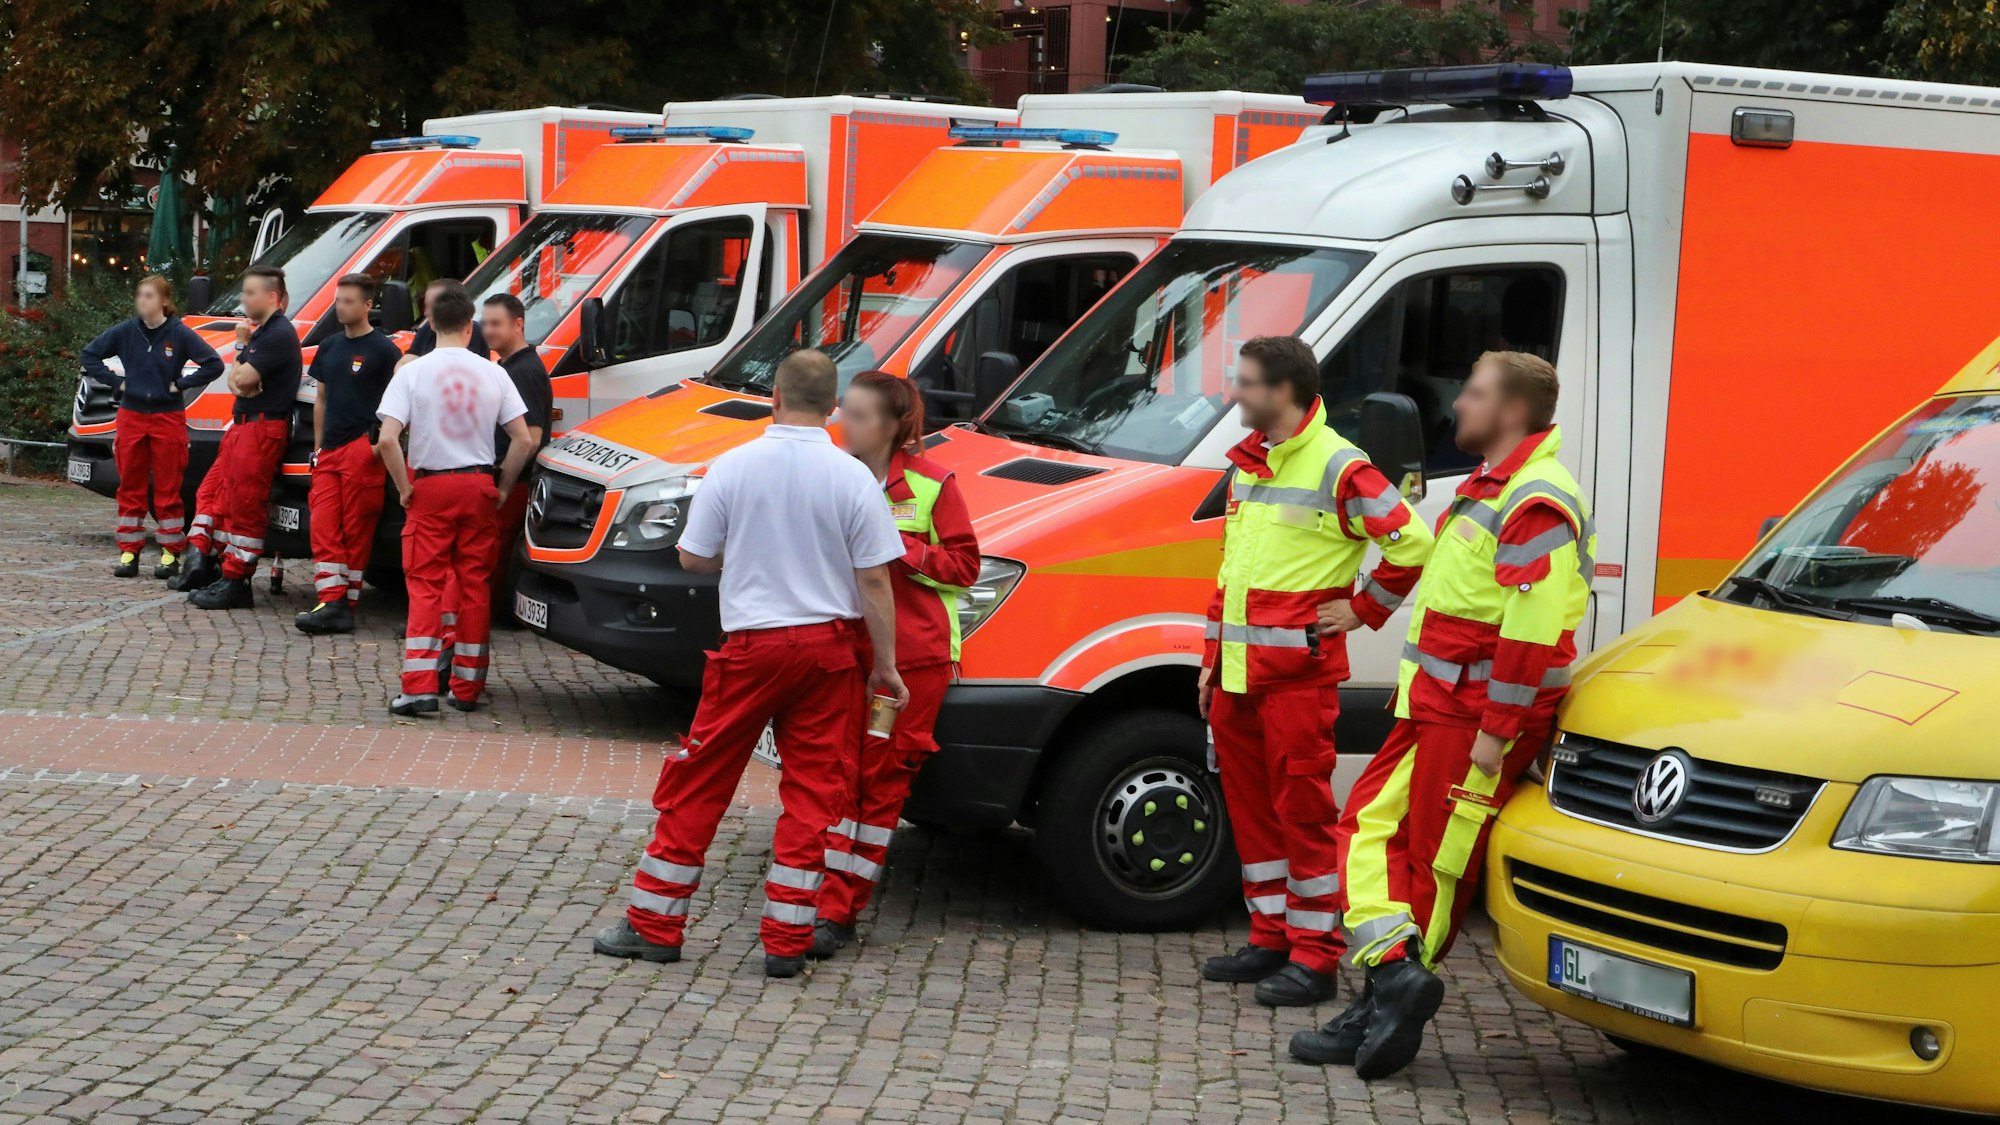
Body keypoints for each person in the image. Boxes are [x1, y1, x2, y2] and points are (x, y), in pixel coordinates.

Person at [1293, 351, 1594, 1078]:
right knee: (1367, 828)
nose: (1458, 403)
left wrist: (1495, 732)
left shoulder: (1535, 498)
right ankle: (1393, 974)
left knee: (1435, 863)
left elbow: (1529, 630)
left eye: (1476, 393)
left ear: (1513, 411)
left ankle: (1387, 999)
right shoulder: (1498, 487)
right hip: (1439, 706)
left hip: (1475, 718)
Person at [592, 349, 907, 980]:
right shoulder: (854, 480)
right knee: (816, 790)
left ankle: (655, 926)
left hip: (751, 647)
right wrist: (888, 667)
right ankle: (787, 940)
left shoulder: (732, 466)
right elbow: (873, 579)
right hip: (827, 650)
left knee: (702, 777)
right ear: (833, 407)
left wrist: (748, 552)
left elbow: (693, 560)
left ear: (776, 397)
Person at [1196, 336, 1434, 1008]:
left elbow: (1412, 542)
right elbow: (1230, 578)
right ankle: (1272, 937)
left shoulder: (1338, 465)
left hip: (1297, 678)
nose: (1235, 393)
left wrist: (1361, 608)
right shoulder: (1251, 465)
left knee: (1303, 816)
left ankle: (1315, 957)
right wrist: (1211, 662)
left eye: (1245, 383)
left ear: (1283, 391)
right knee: (1255, 815)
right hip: (1242, 676)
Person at [811, 371, 979, 960]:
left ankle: (839, 909)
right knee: (836, 774)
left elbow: (964, 567)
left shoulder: (934, 485)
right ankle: (823, 896)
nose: (842, 425)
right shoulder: (834, 475)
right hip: (841, 649)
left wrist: (895, 549)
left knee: (879, 781)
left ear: (891, 426)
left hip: (912, 663)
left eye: (856, 416)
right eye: (842, 413)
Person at [374, 281, 534, 715]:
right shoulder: (494, 372)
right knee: (474, 586)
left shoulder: (413, 372)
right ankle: (466, 688)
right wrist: (502, 487)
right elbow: (522, 440)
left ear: (431, 323)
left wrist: (405, 488)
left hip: (431, 486)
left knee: (426, 587)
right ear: (470, 328)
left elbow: (388, 440)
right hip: (479, 486)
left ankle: (420, 688)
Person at [79, 275, 223, 579]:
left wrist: (180, 385)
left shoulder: (179, 334)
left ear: (164, 302)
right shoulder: (126, 332)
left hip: (167, 418)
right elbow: (89, 355)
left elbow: (214, 364)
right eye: (139, 295)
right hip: (131, 416)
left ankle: (171, 553)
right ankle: (129, 551)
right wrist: (117, 383)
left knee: (168, 488)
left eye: (148, 295)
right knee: (130, 486)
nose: (141, 301)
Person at [178, 266, 303, 608]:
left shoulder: (277, 334)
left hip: (261, 427)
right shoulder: (261, 334)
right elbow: (237, 383)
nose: (244, 299)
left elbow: (243, 382)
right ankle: (213, 566)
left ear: (272, 297)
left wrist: (240, 357)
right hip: (244, 424)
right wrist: (241, 367)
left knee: (246, 505)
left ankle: (236, 581)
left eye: (250, 293)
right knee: (218, 495)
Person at [296, 273, 402, 635]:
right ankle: (332, 599)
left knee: (356, 531)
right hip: (330, 451)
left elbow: (400, 405)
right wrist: (318, 448)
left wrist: (375, 447)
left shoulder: (385, 351)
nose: (341, 307)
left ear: (367, 305)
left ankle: (343, 605)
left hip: (362, 448)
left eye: (349, 301)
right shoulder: (329, 346)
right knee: (322, 524)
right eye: (338, 301)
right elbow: (321, 399)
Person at [479, 293, 552, 622]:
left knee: (492, 556)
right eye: (485, 324)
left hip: (511, 481)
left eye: (496, 324)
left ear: (518, 325)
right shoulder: (509, 366)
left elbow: (531, 437)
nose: (488, 331)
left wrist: (505, 484)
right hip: (505, 479)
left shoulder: (523, 371)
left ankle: (483, 616)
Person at [399, 279, 490, 368]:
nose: (426, 313)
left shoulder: (477, 333)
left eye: (432, 306)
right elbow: (403, 364)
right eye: (425, 306)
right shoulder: (427, 329)